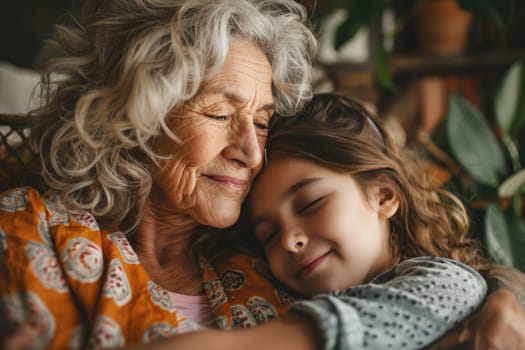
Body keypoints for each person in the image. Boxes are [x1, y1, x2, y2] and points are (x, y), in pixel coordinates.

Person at [0, 1, 525, 350]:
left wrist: (504, 291)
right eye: (219, 114)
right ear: (130, 115)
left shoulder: (265, 251)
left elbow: (424, 276)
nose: (252, 152)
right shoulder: (31, 227)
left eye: (261, 121)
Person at [131, 93, 490, 350]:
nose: (289, 241)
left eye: (311, 203)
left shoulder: (449, 284)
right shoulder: (266, 291)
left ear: (384, 196)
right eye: (268, 235)